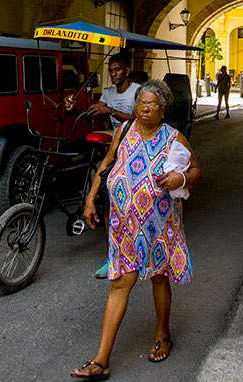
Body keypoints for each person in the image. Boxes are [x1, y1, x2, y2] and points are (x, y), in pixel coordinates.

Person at [74, 80, 201, 379]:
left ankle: (162, 334)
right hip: (123, 226)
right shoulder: (124, 130)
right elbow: (106, 164)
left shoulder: (174, 138)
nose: (144, 109)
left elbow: (196, 170)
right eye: (140, 104)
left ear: (163, 109)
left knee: (159, 278)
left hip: (159, 225)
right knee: (120, 282)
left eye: (151, 105)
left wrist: (179, 181)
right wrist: (91, 198)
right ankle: (101, 359)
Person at [88, 52, 139, 279]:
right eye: (111, 70)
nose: (113, 73)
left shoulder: (137, 91)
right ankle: (112, 256)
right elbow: (95, 105)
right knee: (98, 174)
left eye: (117, 69)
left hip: (134, 145)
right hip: (114, 143)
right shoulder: (108, 93)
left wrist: (110, 111)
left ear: (127, 70)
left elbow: (138, 118)